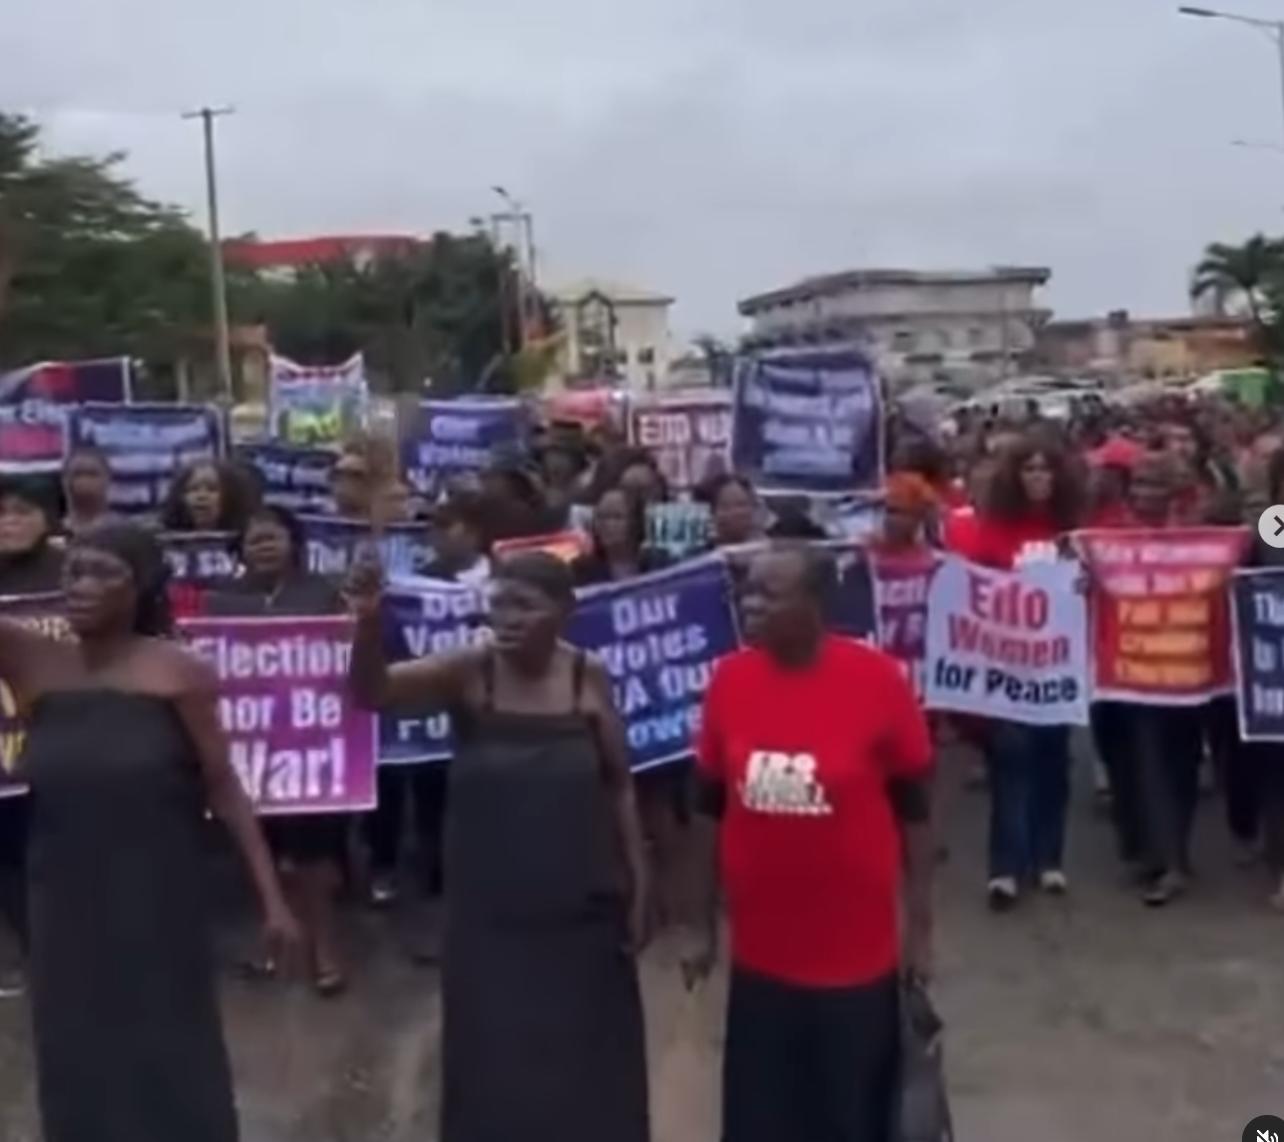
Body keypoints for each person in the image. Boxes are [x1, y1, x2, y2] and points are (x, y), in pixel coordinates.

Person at [0, 520, 296, 1142]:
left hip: (156, 893)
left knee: (166, 1040)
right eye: (73, 571)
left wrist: (272, 902)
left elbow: (224, 787)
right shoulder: (31, 659)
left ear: (143, 588)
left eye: (103, 573)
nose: (80, 586)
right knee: (75, 1043)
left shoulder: (179, 674)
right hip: (62, 894)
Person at [346, 550, 650, 1142]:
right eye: (499, 605)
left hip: (580, 899)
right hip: (490, 906)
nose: (508, 619)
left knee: (586, 1043)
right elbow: (374, 693)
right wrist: (365, 623)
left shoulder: (587, 676)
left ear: (564, 611)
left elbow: (619, 785)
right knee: (493, 1043)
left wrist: (641, 882)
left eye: (526, 606)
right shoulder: (469, 671)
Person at [682, 543, 934, 1142]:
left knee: (847, 1115)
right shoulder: (730, 679)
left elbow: (916, 810)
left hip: (854, 956)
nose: (752, 605)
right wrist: (700, 924)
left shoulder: (877, 680)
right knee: (763, 1116)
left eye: (771, 594)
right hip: (762, 952)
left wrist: (920, 927)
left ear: (818, 604)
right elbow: (709, 807)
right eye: (749, 591)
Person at [206, 505, 350, 993]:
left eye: (274, 537)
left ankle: (325, 946)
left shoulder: (326, 593)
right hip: (251, 749)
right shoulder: (219, 603)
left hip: (313, 745)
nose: (264, 546)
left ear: (295, 543)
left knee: (314, 854)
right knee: (262, 849)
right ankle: (279, 935)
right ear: (239, 552)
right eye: (254, 540)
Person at [956, 436, 1084, 908]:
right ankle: (1005, 868)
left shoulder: (1072, 533)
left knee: (1053, 762)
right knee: (1011, 762)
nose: (1037, 477)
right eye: (1028, 469)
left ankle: (1049, 860)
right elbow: (973, 593)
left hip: (1057, 668)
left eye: (1045, 469)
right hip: (1006, 667)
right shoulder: (992, 532)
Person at [0, 477, 65, 985]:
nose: (9, 521)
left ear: (49, 517)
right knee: (11, 858)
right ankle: (37, 954)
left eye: (22, 511)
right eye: (1, 513)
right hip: (5, 756)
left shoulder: (76, 574)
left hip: (70, 743)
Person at [570, 486, 671, 587]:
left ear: (635, 522)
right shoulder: (582, 571)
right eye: (601, 517)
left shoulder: (659, 563)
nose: (606, 524)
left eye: (616, 517)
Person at [159, 459, 254, 534]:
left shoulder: (249, 539)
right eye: (193, 489)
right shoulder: (161, 540)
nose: (201, 496)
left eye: (212, 489)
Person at [60, 446, 114, 535]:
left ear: (108, 478)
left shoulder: (127, 531)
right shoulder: (52, 533)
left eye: (92, 474)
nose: (85, 480)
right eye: (78, 474)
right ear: (65, 480)